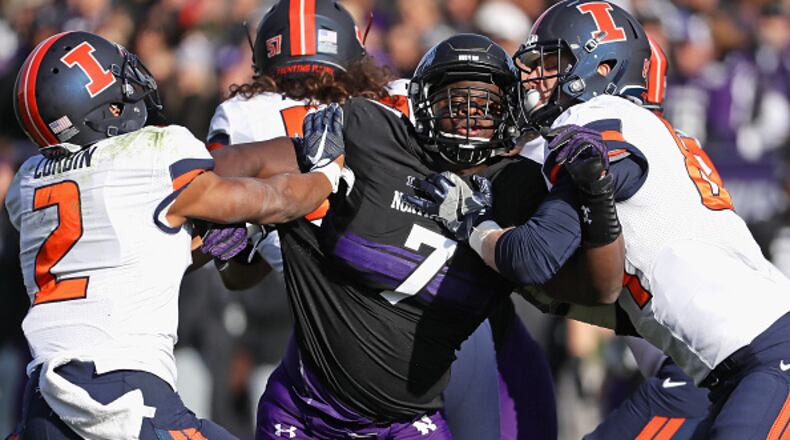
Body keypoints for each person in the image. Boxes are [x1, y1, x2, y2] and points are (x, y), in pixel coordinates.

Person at [213, 32, 618, 439]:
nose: (468, 119)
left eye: (485, 107)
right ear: (423, 103)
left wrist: (597, 197)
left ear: (509, 110)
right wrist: (236, 214)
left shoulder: (517, 187)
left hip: (410, 417)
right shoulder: (371, 135)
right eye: (454, 104)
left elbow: (596, 290)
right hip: (306, 409)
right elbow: (234, 165)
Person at [415, 1, 790, 437]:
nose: (535, 79)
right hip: (734, 363)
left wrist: (475, 225)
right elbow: (597, 286)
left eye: (552, 63)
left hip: (763, 356)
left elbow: (532, 254)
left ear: (602, 65)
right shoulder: (644, 131)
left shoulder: (595, 121)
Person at [4, 30, 341, 439]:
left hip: (44, 402)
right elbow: (273, 200)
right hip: (122, 396)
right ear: (104, 110)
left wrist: (198, 248)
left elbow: (114, 261)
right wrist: (329, 169)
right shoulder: (150, 152)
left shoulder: (27, 184)